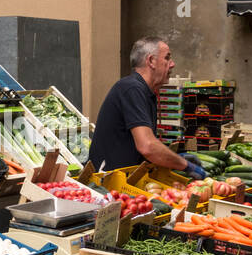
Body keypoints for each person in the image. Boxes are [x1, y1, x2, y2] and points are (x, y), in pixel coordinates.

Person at [87, 37, 206, 177]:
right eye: (167, 58)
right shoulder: (131, 89)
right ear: (151, 61)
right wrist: (186, 166)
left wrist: (175, 158)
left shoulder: (145, 92)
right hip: (107, 184)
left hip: (127, 180)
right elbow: (147, 146)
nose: (172, 64)